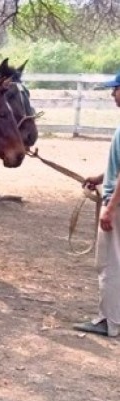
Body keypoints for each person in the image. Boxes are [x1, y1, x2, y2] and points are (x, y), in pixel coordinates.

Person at [74, 71, 120, 338]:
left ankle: (109, 321)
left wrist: (110, 207)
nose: (112, 94)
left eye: (115, 89)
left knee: (109, 263)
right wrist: (100, 177)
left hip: (117, 205)